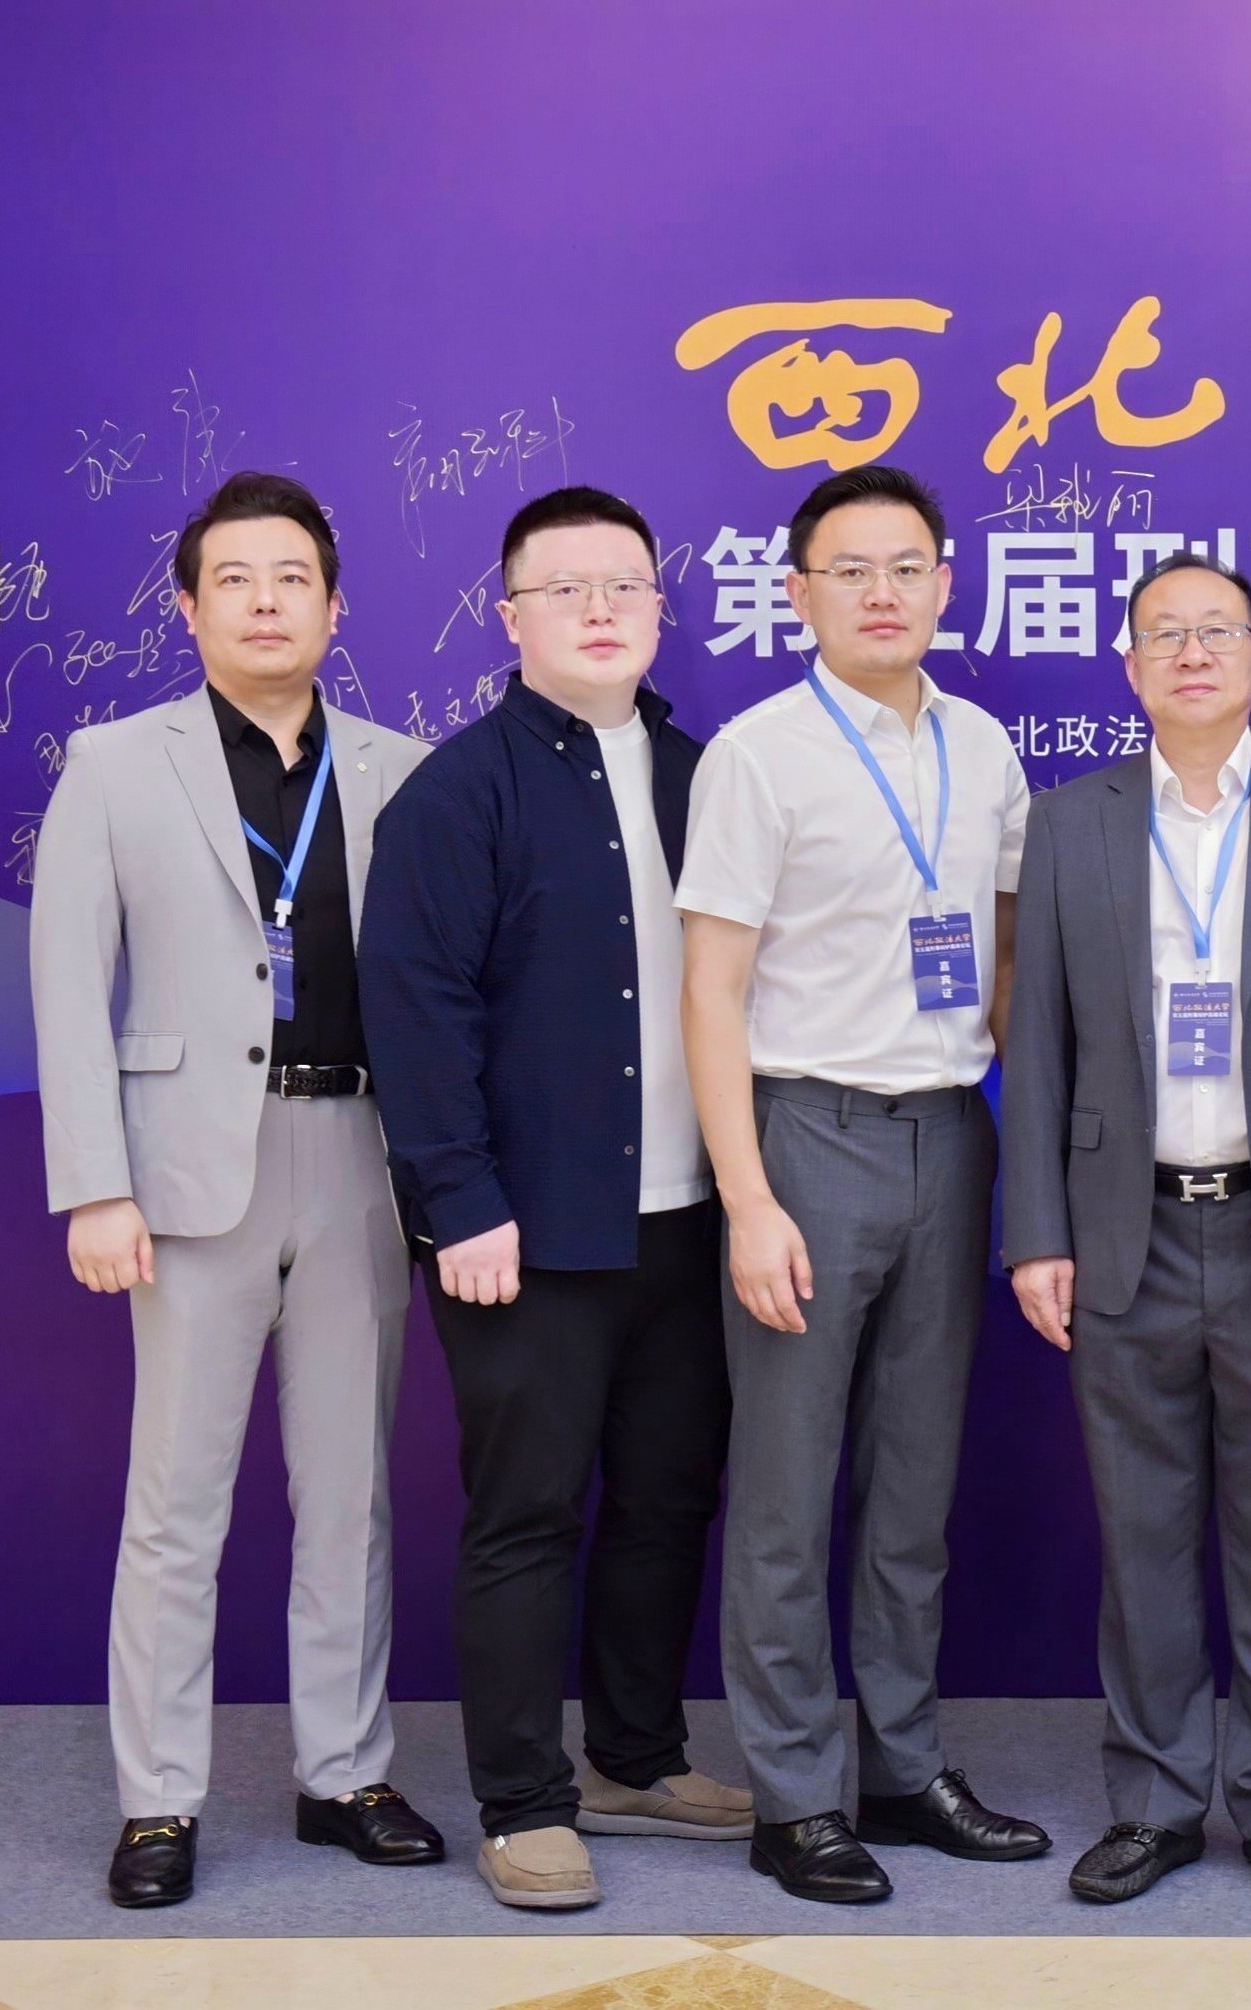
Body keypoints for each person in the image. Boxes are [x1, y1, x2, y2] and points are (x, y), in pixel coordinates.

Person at [29, 472, 441, 1908]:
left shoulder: (400, 768)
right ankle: (159, 1801)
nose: (266, 603)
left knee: (351, 1496)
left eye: (292, 579)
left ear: (336, 605)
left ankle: (345, 1773)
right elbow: (67, 984)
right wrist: (95, 1184)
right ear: (189, 605)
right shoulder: (114, 762)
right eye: (235, 580)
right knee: (176, 1505)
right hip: (189, 1171)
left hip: (361, 1159)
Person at [1000, 551, 1251, 1909]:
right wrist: (1036, 1230)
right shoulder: (1071, 820)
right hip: (1121, 1229)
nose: (1191, 654)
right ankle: (1155, 1800)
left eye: (1216, 632)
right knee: (1142, 1536)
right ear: (1129, 667)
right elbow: (1038, 1044)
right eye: (1164, 635)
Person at [362, 486, 747, 1909]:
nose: (598, 610)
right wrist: (459, 1201)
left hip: (693, 1220)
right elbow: (417, 1010)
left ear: (659, 609)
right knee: (527, 1512)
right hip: (522, 1235)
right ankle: (522, 1800)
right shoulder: (459, 790)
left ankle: (633, 1758)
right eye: (564, 588)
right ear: (510, 616)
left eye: (624, 586)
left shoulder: (707, 777)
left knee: (667, 1499)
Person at [676, 463, 1049, 1904]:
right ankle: (792, 1795)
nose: (882, 592)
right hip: (806, 1137)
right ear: (799, 594)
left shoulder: (983, 746)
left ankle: (900, 1767)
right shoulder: (758, 754)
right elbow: (712, 992)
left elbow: (1004, 963)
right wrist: (748, 1196)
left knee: (912, 1488)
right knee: (786, 1490)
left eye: (906, 566)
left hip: (951, 1134)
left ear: (946, 583)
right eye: (850, 569)